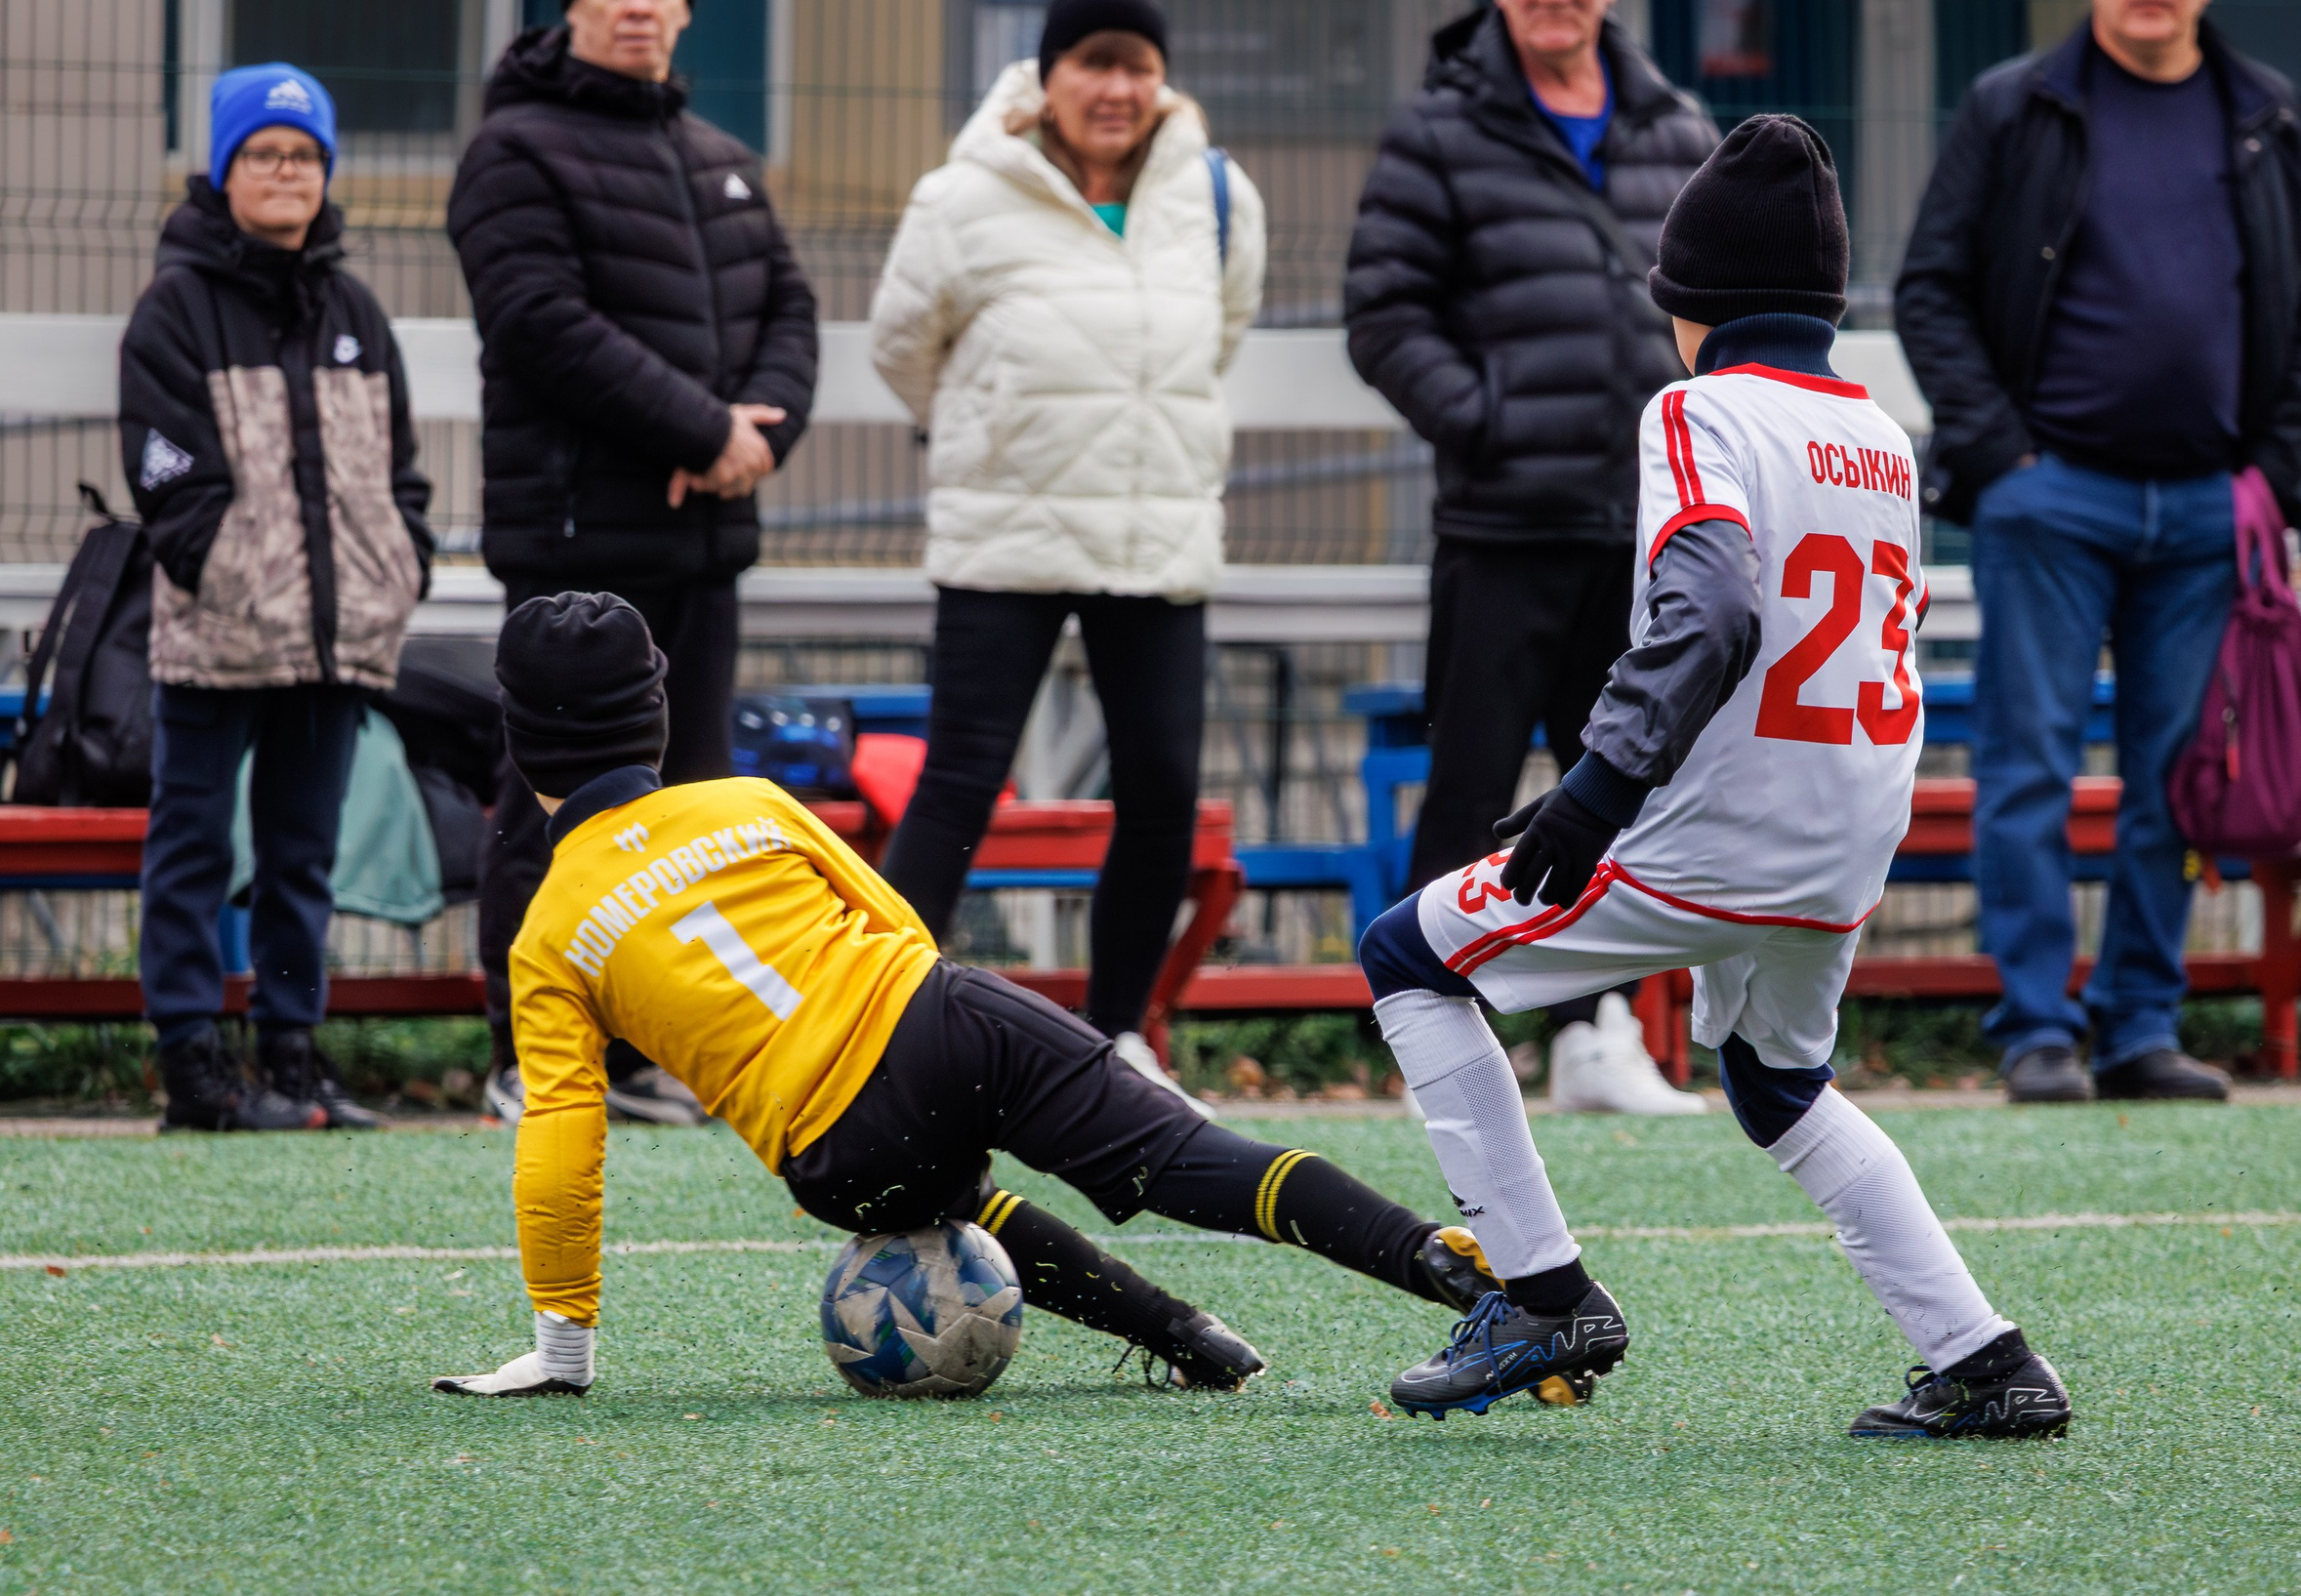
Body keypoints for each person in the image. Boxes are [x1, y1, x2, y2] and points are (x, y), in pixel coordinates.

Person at [1357, 116, 2073, 1437]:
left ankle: (1542, 1290)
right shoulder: (1876, 431)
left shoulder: (1696, 406)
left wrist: (1596, 790)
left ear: (1688, 304)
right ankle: (1985, 1357)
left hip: (1715, 831)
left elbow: (1714, 609)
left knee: (1410, 954)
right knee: (1778, 1083)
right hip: (1846, 835)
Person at [431, 593, 1539, 1400]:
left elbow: (562, 1138)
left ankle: (1182, 1331)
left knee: (944, 1193)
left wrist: (563, 1346)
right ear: (656, 721)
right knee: (1190, 1161)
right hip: (937, 1021)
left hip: (833, 1157)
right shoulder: (753, 803)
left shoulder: (548, 936)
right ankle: (1438, 1261)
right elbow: (899, 923)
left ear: (522, 744)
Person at [1895, 0, 2301, 1105]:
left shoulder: (2270, 114)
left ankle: (2140, 1024)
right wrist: (2005, 460)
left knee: (2179, 777)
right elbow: (1929, 286)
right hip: (2050, 502)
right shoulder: (2015, 105)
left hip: (2211, 511)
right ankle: (2035, 1028)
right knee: (2027, 766)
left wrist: (2268, 470)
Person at [869, 0, 1263, 1095]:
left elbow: (1218, 333)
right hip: (1006, 529)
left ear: (1161, 81)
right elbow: (904, 345)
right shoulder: (962, 192)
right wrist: (996, 425)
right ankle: (879, 1024)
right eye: (1093, 63)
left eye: (1136, 66)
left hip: (1155, 532)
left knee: (1159, 789)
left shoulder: (1218, 194)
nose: (1115, 88)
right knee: (960, 780)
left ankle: (1118, 1036)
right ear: (1047, 79)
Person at [446, 0, 819, 1126]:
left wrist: (753, 435)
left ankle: (651, 1050)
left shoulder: (721, 158)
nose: (641, 5)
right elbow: (538, 321)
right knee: (549, 809)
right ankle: (531, 1055)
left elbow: (793, 312)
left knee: (689, 808)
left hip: (706, 544)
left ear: (687, 12)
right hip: (575, 545)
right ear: (573, 10)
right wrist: (702, 432)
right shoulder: (514, 149)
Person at [1342, 0, 1717, 1112]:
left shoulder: (1673, 123)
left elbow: (1725, 298)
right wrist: (1481, 415)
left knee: (1614, 782)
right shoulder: (1439, 127)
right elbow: (1383, 310)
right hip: (1502, 523)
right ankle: (1436, 1039)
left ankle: (1592, 1032)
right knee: (1468, 790)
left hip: (1641, 523)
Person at [120, 62, 433, 1133]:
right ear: (225, 168)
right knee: (194, 848)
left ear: (326, 170)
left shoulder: (353, 309)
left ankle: (293, 1058)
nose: (285, 172)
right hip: (218, 642)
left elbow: (401, 472)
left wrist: (403, 563)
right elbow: (168, 484)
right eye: (263, 153)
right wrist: (233, 579)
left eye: (303, 155)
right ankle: (194, 1062)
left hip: (340, 644)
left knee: (304, 855)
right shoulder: (175, 310)